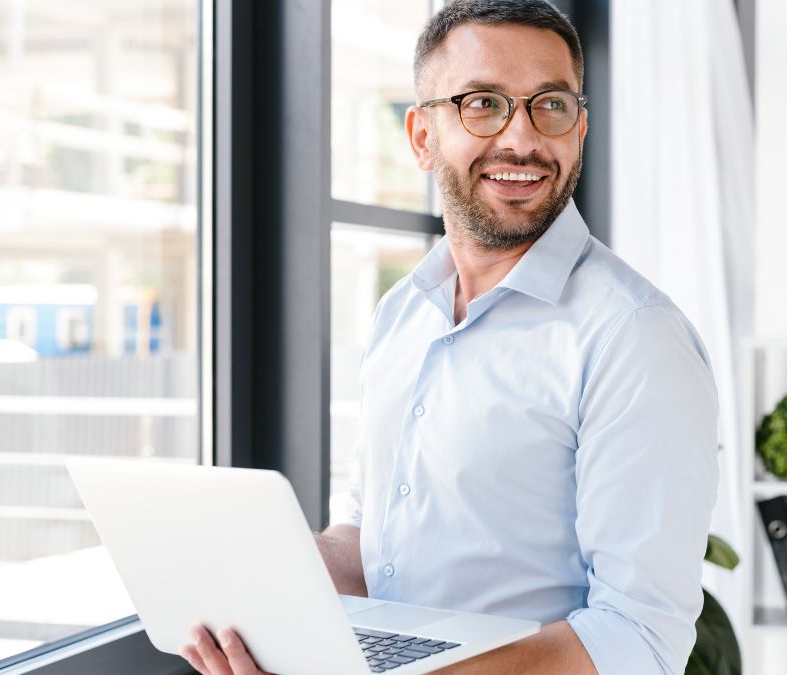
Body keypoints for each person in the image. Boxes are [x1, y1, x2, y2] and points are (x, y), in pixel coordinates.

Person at [180, 1, 718, 673]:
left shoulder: (633, 337)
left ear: (579, 129)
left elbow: (637, 638)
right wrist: (258, 575)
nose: (522, 138)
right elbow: (375, 545)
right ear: (421, 136)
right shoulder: (401, 314)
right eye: (483, 104)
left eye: (550, 106)